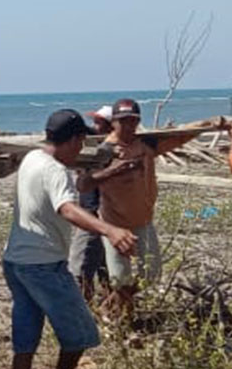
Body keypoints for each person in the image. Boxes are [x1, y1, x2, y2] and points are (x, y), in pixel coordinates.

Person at [3, 109, 137, 369]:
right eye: (80, 142)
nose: (81, 150)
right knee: (82, 335)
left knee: (25, 339)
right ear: (75, 140)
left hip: (15, 262)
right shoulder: (55, 171)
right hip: (43, 265)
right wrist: (110, 230)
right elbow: (68, 209)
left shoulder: (32, 158)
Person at [81, 98, 204, 317]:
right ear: (114, 123)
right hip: (115, 225)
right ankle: (121, 322)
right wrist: (115, 170)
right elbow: (84, 184)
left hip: (143, 222)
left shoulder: (145, 145)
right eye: (123, 121)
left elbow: (180, 136)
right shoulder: (105, 150)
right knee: (120, 278)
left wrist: (214, 123)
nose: (128, 125)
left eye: (133, 120)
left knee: (151, 274)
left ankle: (111, 307)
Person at [67, 106, 112, 302]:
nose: (94, 126)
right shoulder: (95, 144)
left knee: (80, 270)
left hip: (94, 215)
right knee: (105, 270)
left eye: (99, 123)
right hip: (98, 217)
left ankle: (86, 314)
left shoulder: (111, 150)